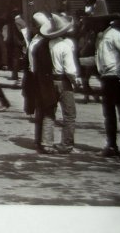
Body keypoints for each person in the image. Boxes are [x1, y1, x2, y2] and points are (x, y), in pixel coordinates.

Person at [87, 0, 120, 157]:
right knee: (108, 113)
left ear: (104, 22)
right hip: (106, 78)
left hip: (117, 78)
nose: (95, 26)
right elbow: (98, 58)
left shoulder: (115, 36)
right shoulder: (100, 37)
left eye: (97, 22)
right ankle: (111, 145)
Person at [42, 13, 81, 154]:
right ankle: (66, 144)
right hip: (63, 81)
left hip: (49, 80)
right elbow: (70, 70)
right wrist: (75, 81)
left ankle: (46, 143)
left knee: (49, 112)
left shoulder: (45, 45)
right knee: (69, 115)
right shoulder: (64, 46)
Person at [26, 12, 57, 154]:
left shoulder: (34, 40)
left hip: (33, 77)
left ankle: (39, 140)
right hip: (43, 78)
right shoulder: (43, 43)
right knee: (48, 109)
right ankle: (46, 142)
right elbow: (46, 64)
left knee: (39, 109)